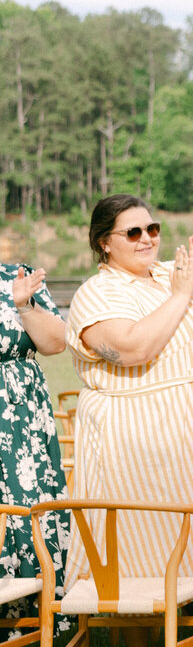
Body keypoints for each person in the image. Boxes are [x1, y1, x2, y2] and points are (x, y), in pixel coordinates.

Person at [66, 196, 193, 647]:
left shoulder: (172, 275)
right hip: (138, 439)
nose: (148, 240)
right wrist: (182, 296)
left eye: (153, 229)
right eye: (133, 233)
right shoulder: (97, 291)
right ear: (105, 242)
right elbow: (130, 347)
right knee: (142, 543)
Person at [0, 259, 69, 621]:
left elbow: (57, 343)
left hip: (23, 418)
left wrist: (24, 306)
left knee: (28, 512)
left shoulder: (19, 274)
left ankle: (28, 624)